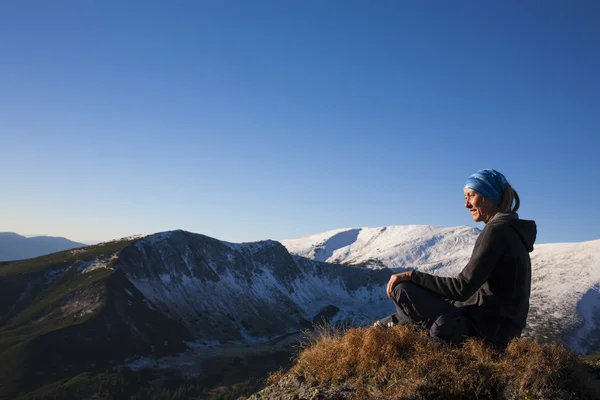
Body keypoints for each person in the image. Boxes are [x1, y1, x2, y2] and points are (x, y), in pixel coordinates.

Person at [375, 169, 537, 349]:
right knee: (423, 305)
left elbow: (462, 288)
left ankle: (390, 331)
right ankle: (382, 327)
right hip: (501, 332)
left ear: (489, 196)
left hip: (484, 331)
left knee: (402, 289)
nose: (466, 204)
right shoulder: (513, 233)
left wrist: (413, 276)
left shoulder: (496, 231)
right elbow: (471, 294)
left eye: (471, 195)